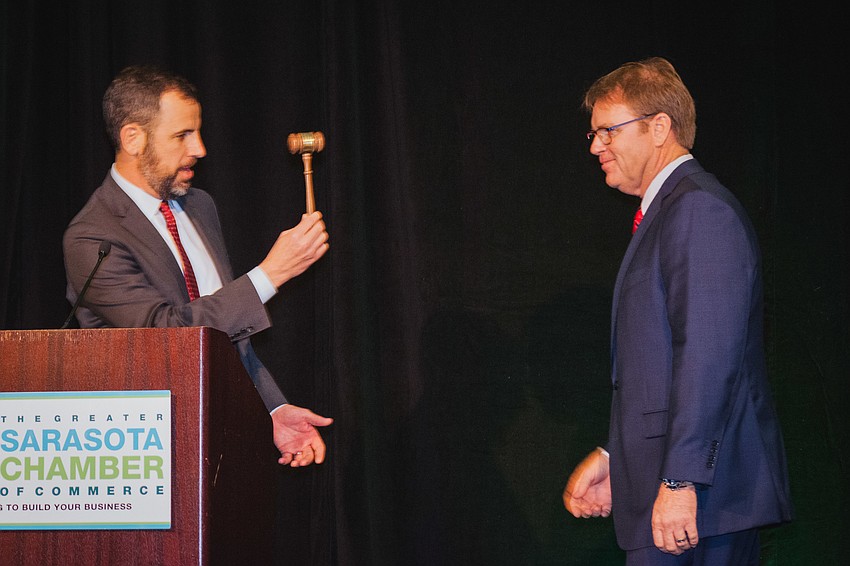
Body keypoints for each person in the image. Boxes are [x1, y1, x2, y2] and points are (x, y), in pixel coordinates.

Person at [561, 57, 792, 564]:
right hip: (681, 494)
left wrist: (679, 479)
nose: (596, 145)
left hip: (703, 500)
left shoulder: (698, 210)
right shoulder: (668, 213)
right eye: (593, 134)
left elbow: (708, 358)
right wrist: (614, 457)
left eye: (607, 131)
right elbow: (658, 370)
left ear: (659, 127)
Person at [63, 65, 332, 468]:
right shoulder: (91, 237)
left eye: (198, 132)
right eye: (182, 135)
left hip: (222, 441)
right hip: (143, 456)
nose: (200, 148)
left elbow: (227, 333)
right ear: (133, 138)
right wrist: (270, 274)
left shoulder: (199, 206)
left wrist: (273, 409)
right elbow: (165, 333)